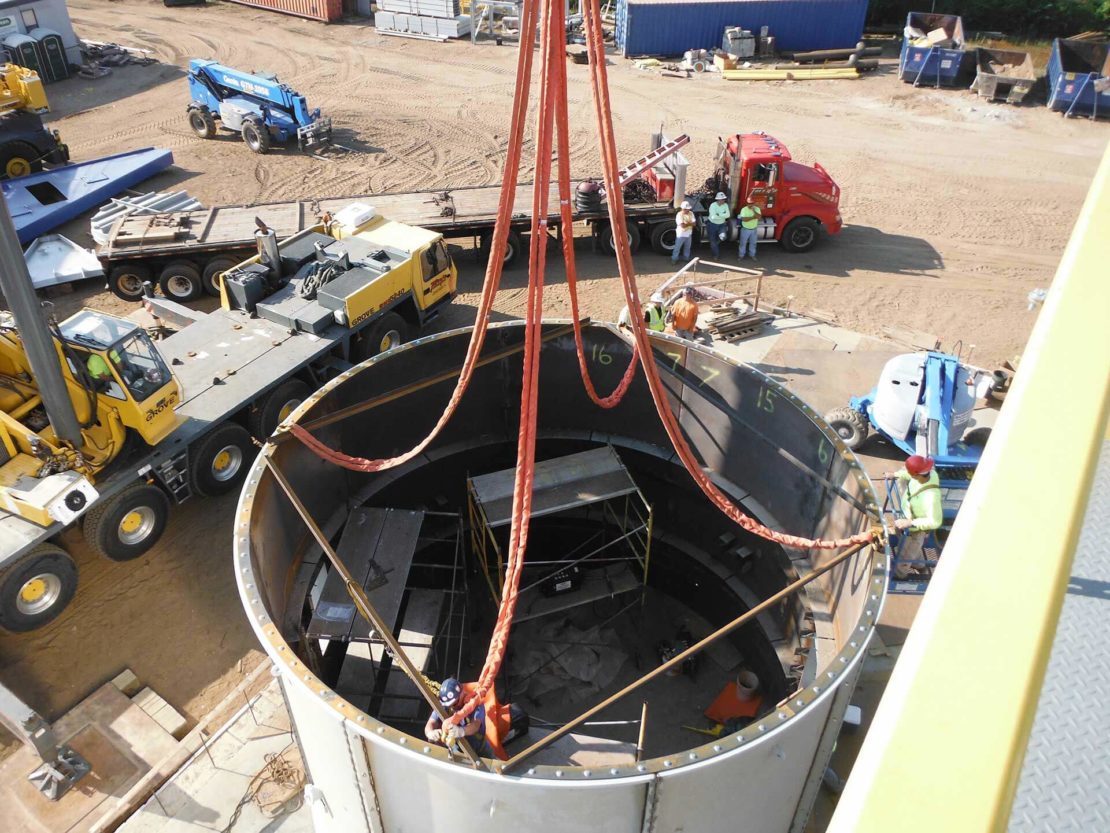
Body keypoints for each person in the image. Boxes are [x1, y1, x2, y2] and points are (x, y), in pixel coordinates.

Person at [424, 678, 529, 760]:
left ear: (462, 694)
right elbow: (431, 722)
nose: (452, 707)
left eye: (455, 703)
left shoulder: (475, 702)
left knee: (494, 761)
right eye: (450, 705)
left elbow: (476, 725)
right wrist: (430, 732)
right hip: (457, 745)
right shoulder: (447, 704)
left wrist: (461, 731)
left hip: (480, 742)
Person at [883, 454, 943, 579]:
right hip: (906, 521)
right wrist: (895, 474)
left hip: (915, 531)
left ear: (916, 475)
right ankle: (921, 566)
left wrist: (910, 523)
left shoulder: (930, 497)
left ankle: (899, 576)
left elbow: (935, 521)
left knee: (904, 557)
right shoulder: (925, 474)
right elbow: (907, 474)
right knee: (910, 551)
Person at [707, 192, 731, 258]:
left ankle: (714, 245)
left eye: (724, 199)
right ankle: (716, 255)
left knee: (723, 237)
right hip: (712, 225)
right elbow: (713, 217)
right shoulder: (713, 205)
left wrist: (718, 215)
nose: (723, 200)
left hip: (722, 225)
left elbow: (728, 215)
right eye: (722, 199)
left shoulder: (725, 205)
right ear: (718, 199)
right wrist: (723, 216)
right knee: (712, 241)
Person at [738, 197, 762, 262]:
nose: (750, 205)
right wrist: (753, 217)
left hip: (754, 229)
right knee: (743, 243)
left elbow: (759, 217)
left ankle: (752, 255)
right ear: (746, 203)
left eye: (751, 203)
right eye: (748, 203)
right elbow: (744, 219)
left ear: (754, 203)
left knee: (753, 243)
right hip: (745, 229)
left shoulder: (757, 209)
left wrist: (753, 211)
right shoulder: (744, 209)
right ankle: (741, 255)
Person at [672, 200, 696, 264]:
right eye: (686, 209)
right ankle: (674, 259)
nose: (688, 210)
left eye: (688, 209)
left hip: (689, 234)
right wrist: (690, 223)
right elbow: (682, 225)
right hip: (681, 234)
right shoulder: (679, 215)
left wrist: (687, 224)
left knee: (687, 247)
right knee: (677, 247)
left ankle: (686, 258)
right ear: (682, 208)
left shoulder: (691, 213)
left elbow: (694, 224)